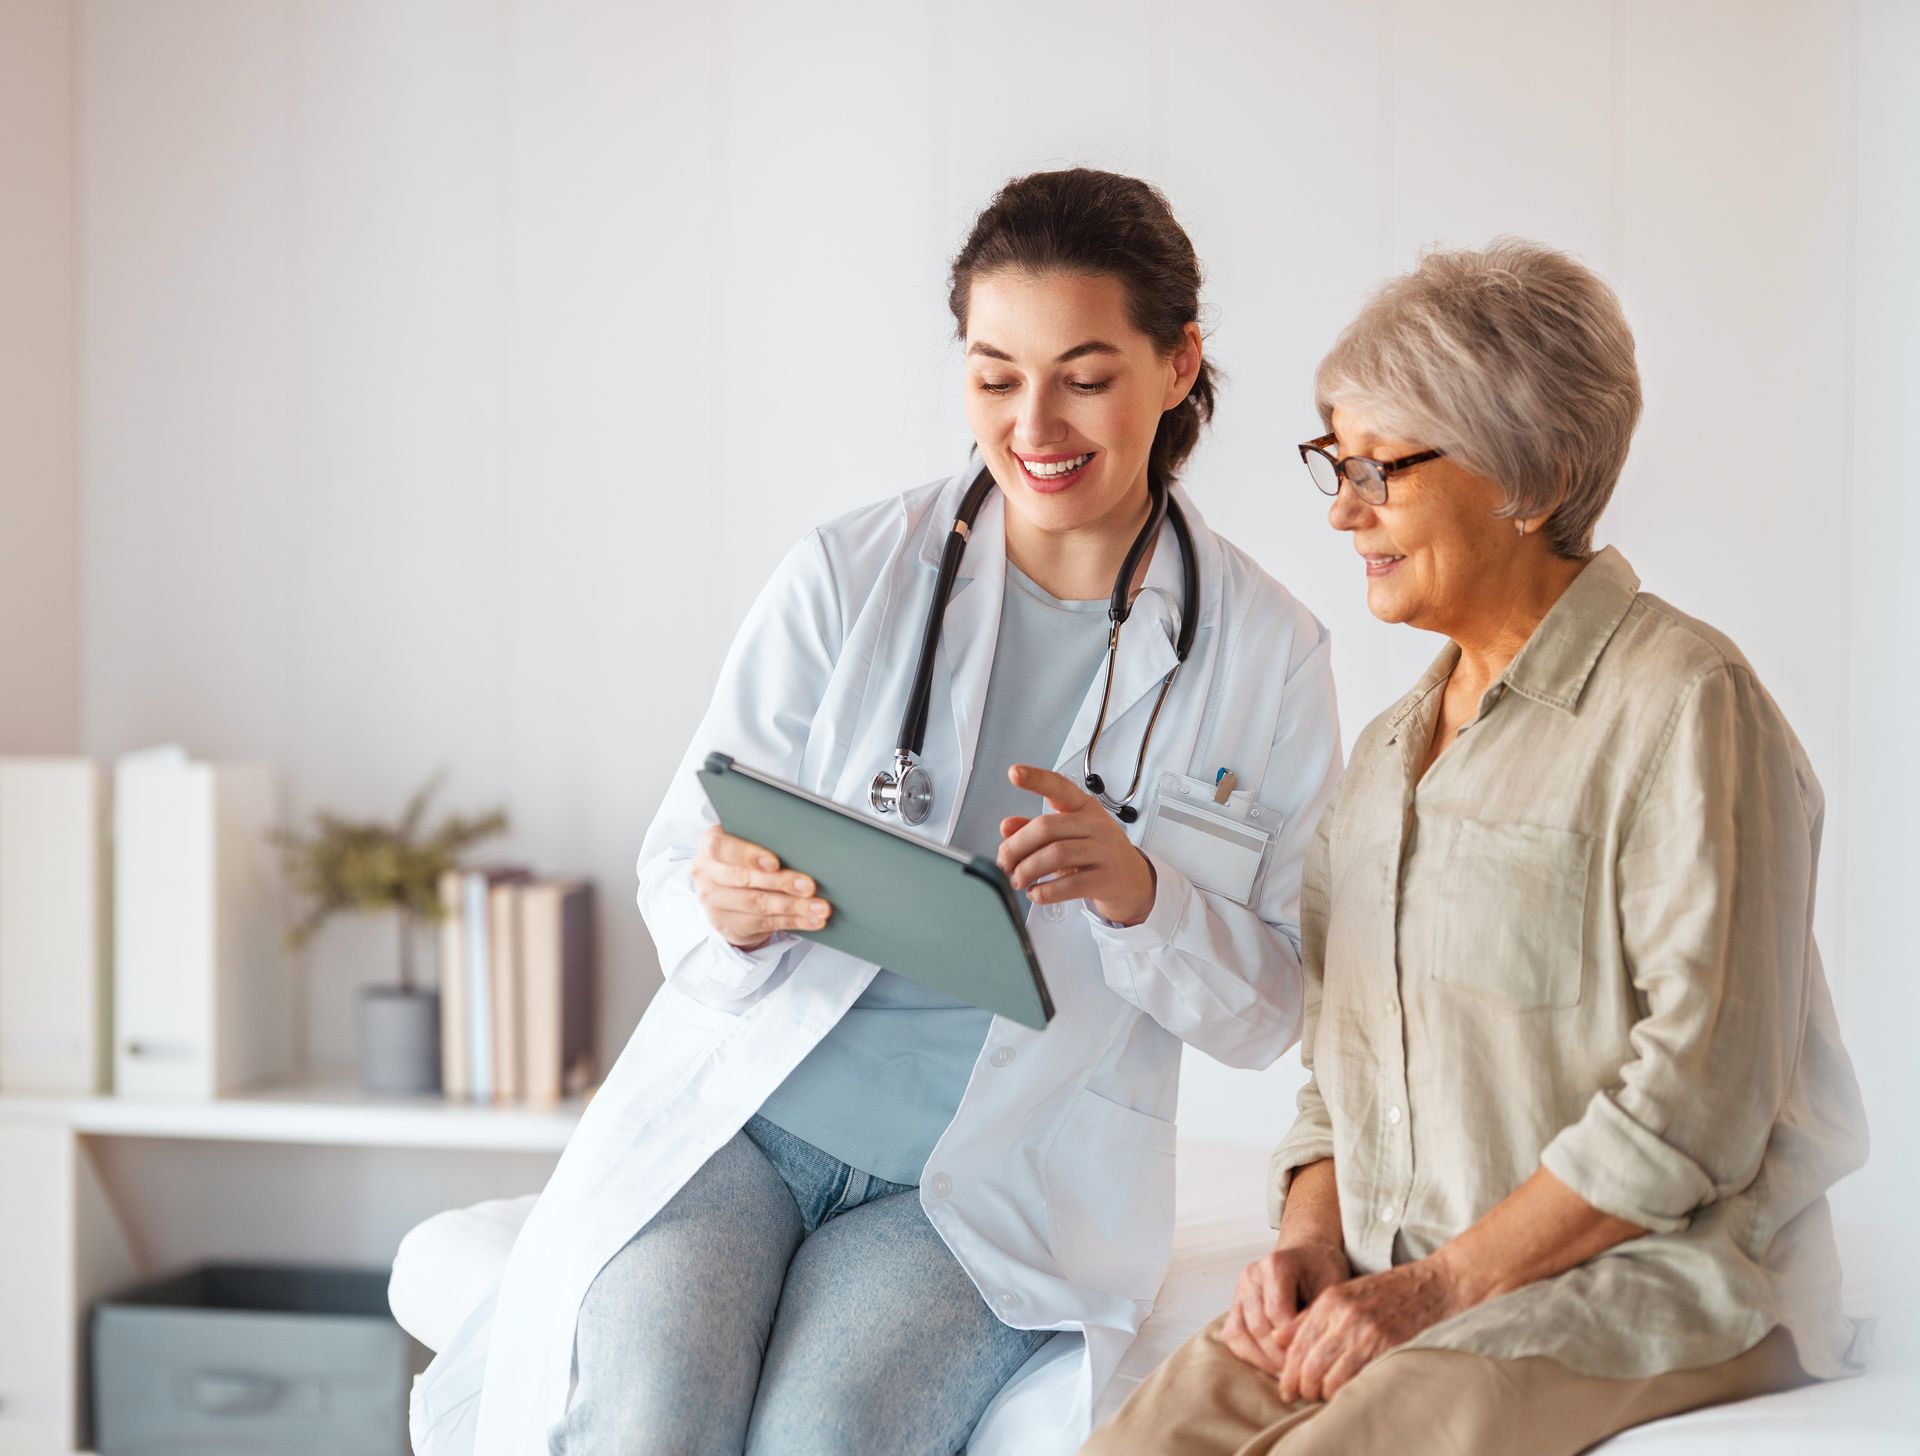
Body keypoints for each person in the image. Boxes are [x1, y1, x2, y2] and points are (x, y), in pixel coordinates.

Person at [407, 168, 1342, 1456]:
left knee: (827, 1436)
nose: (1034, 422)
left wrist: (1147, 897)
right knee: (652, 1422)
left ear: (1179, 364)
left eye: (1085, 373)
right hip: (752, 1119)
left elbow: (1277, 1007)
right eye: (994, 373)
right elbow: (683, 851)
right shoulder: (851, 576)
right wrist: (723, 900)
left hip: (986, 1186)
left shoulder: (1267, 654)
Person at [1084, 239, 1869, 1456]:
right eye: (1332, 464)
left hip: (1659, 1278)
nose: (1344, 509)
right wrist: (1303, 1248)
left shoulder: (1684, 702)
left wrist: (1436, 1290)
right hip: (1402, 1275)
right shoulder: (1391, 755)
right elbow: (1336, 1087)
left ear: (1536, 475)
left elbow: (1696, 1105)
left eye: (1380, 469)